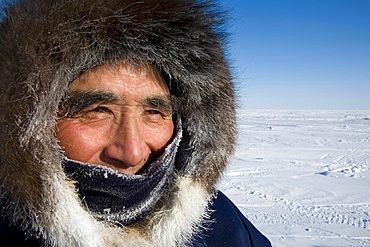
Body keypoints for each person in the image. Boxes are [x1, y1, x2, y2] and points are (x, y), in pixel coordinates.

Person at [0, 0, 271, 246]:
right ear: (27, 125)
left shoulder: (224, 226)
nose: (132, 153)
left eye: (154, 112)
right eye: (97, 110)